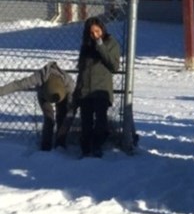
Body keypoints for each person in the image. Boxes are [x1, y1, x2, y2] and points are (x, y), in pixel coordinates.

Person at [0, 61, 76, 151]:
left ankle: (60, 144)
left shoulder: (68, 83)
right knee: (49, 118)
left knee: (63, 117)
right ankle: (46, 146)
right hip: (44, 95)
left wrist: (70, 110)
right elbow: (19, 84)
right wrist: (1, 91)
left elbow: (73, 100)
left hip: (62, 95)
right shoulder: (39, 76)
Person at [75, 17, 121, 157]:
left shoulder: (111, 43)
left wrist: (100, 45)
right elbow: (82, 69)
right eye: (91, 32)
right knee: (86, 122)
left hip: (101, 89)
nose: (95, 35)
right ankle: (85, 148)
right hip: (85, 89)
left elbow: (114, 66)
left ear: (102, 30)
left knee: (101, 120)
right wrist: (78, 89)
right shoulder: (86, 46)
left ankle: (97, 145)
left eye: (97, 31)